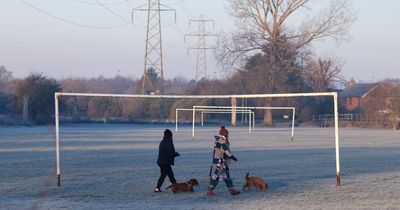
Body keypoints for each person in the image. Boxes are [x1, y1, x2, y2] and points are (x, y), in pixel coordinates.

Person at [206, 126, 240, 196]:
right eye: (227, 134)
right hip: (219, 163)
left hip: (222, 162)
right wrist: (232, 157)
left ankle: (231, 190)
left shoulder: (221, 140)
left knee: (227, 177)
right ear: (225, 134)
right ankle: (209, 191)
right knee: (215, 178)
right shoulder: (221, 141)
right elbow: (225, 150)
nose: (228, 136)